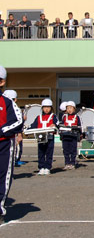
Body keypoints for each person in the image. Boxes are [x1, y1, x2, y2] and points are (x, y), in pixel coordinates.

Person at [0, 66, 23, 223]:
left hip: (3, 145)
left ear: (1, 82)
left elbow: (18, 121)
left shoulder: (7, 102)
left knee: (2, 176)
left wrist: (1, 131)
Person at [30, 98, 58, 175]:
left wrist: (54, 125)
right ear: (42, 108)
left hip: (49, 137)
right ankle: (41, 167)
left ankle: (48, 167)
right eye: (45, 107)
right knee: (41, 152)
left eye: (48, 107)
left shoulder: (53, 116)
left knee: (49, 152)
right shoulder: (39, 117)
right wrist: (28, 129)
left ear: (51, 108)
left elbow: (57, 124)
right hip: (41, 138)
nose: (46, 109)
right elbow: (33, 125)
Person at [60, 101, 82, 170]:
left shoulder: (77, 117)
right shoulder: (64, 117)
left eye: (71, 108)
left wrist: (80, 134)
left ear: (74, 109)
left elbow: (79, 126)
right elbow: (61, 126)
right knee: (66, 150)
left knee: (73, 150)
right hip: (65, 136)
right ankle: (67, 163)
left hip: (73, 136)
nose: (69, 109)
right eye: (68, 108)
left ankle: (72, 163)